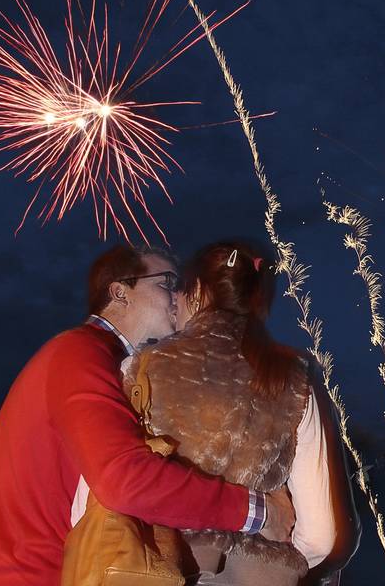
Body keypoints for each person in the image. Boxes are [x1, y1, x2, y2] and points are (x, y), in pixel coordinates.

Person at [0, 245, 295, 585]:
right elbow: (124, 480)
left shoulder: (107, 363)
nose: (180, 296)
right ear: (120, 293)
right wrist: (256, 512)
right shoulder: (78, 353)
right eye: (168, 282)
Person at [123, 241, 359, 585]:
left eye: (181, 293)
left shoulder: (140, 368)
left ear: (200, 292)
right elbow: (321, 537)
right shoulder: (292, 379)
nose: (175, 307)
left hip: (157, 570)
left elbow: (100, 491)